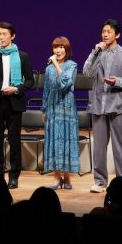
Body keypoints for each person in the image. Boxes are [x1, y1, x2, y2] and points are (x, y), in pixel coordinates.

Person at [83, 19, 122, 193]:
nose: (105, 35)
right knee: (99, 148)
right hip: (98, 105)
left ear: (117, 34)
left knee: (120, 147)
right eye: (103, 31)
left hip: (118, 106)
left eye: (109, 31)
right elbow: (87, 72)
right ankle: (100, 182)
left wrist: (118, 81)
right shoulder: (97, 53)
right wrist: (95, 52)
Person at [0, 22, 35, 189]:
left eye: (4, 34)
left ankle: (14, 176)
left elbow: (30, 81)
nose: (1, 37)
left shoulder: (23, 56)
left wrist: (16, 89)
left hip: (14, 101)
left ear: (12, 36)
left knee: (14, 140)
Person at [41, 36, 80, 189]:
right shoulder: (48, 68)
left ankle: (67, 176)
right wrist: (44, 109)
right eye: (56, 47)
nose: (58, 50)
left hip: (66, 106)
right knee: (54, 139)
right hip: (52, 106)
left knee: (66, 138)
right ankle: (57, 177)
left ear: (67, 49)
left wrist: (56, 64)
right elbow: (46, 89)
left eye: (61, 47)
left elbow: (65, 83)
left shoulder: (72, 65)